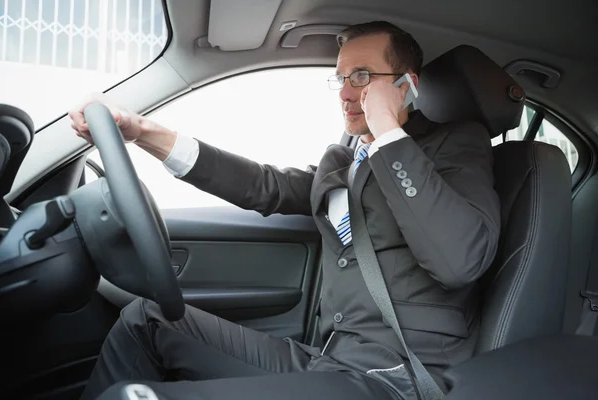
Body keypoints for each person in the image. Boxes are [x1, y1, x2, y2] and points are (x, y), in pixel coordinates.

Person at [70, 21, 500, 400]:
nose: (347, 94)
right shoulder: (345, 163)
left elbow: (459, 260)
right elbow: (263, 186)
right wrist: (143, 131)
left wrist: (388, 128)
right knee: (144, 320)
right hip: (329, 360)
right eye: (341, 78)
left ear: (405, 84)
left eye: (363, 77)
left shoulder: (456, 144)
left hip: (398, 377)